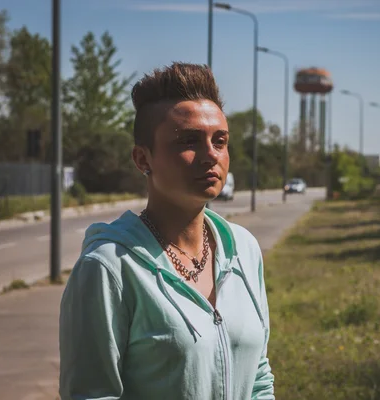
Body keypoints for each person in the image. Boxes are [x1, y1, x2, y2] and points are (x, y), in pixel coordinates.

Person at [59, 63, 275, 399]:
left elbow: (258, 375)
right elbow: (92, 393)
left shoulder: (243, 250)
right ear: (142, 159)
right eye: (189, 141)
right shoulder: (108, 268)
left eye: (220, 141)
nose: (210, 155)